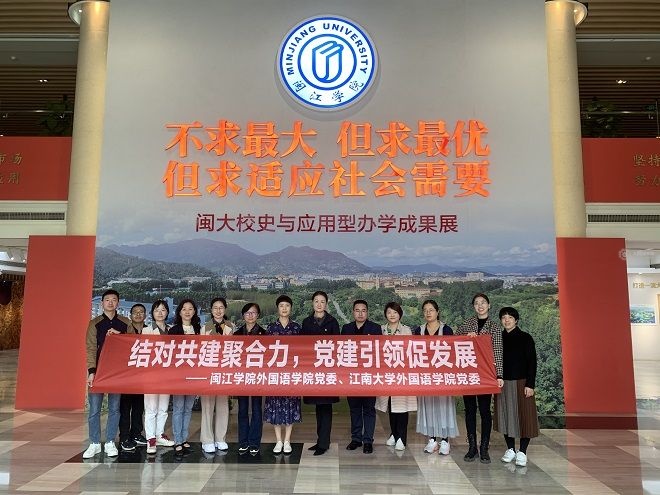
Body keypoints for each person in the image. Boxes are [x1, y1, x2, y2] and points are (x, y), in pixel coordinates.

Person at [455, 293, 504, 463]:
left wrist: (499, 375)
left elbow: (497, 351)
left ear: (489, 305)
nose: (480, 306)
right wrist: (465, 337)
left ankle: (484, 447)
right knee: (469, 410)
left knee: (484, 411)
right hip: (468, 374)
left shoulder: (494, 326)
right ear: (473, 307)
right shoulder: (467, 324)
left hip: (486, 375)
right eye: (476, 303)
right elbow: (454, 341)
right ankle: (472, 447)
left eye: (483, 302)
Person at [83, 289, 131, 459]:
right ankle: (94, 443)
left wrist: (120, 335)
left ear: (118, 303)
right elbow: (90, 348)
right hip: (98, 371)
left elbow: (133, 344)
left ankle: (110, 441)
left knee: (114, 408)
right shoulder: (94, 323)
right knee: (94, 409)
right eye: (107, 300)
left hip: (117, 372)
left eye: (114, 299)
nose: (110, 302)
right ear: (102, 303)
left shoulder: (125, 323)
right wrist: (91, 371)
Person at [494, 307, 539, 468]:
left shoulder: (525, 337)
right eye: (504, 317)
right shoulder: (497, 339)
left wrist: (530, 384)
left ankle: (523, 451)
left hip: (522, 382)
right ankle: (511, 449)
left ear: (516, 320)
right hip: (503, 382)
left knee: (525, 417)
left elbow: (532, 362)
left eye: (510, 317)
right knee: (506, 416)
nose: (506, 320)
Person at [414, 299, 459, 455]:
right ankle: (432, 439)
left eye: (431, 310)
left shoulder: (446, 329)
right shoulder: (419, 330)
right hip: (425, 375)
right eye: (425, 310)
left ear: (437, 312)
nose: (428, 313)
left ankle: (445, 440)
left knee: (443, 406)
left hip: (442, 375)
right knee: (428, 406)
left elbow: (452, 352)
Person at [301, 290, 340, 456]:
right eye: (316, 301)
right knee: (318, 407)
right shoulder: (306, 322)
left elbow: (337, 346)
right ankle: (320, 440)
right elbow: (302, 346)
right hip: (312, 370)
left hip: (327, 371)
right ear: (312, 303)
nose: (319, 304)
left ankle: (324, 443)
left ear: (326, 304)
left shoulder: (332, 322)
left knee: (326, 407)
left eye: (322, 301)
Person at [342, 299, 381, 454]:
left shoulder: (375, 328)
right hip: (351, 376)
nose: (360, 313)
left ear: (367, 312)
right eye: (357, 310)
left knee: (369, 409)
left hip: (369, 376)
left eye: (363, 310)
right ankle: (356, 439)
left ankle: (368, 440)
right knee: (355, 409)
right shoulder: (346, 329)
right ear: (353, 312)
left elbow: (379, 351)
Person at [376, 301, 416, 451]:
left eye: (395, 312)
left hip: (401, 375)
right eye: (389, 312)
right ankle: (394, 434)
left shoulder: (406, 330)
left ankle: (402, 438)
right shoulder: (381, 330)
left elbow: (410, 352)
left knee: (402, 406)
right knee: (391, 406)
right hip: (386, 375)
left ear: (400, 314)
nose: (392, 315)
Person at [264, 295, 302, 454]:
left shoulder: (297, 328)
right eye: (281, 305)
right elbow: (266, 351)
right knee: (275, 406)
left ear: (291, 308)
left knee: (290, 405)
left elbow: (302, 350)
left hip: (291, 374)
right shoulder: (271, 328)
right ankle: (278, 440)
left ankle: (287, 440)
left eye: (287, 305)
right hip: (275, 374)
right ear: (277, 308)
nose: (284, 308)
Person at [200, 297, 233, 454]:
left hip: (224, 371)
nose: (218, 311)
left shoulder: (231, 327)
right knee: (207, 406)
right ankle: (207, 439)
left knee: (222, 405)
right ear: (211, 310)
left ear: (225, 309)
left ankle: (221, 438)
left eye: (221, 307)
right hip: (208, 371)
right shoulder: (204, 328)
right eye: (215, 308)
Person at [168, 299, 201, 454]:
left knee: (188, 408)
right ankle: (177, 440)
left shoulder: (199, 329)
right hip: (178, 375)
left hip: (194, 374)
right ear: (179, 312)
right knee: (179, 408)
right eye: (184, 309)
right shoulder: (174, 330)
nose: (187, 312)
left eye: (190, 309)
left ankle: (184, 438)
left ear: (194, 311)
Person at [142, 300, 175, 454]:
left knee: (163, 407)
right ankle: (150, 438)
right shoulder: (146, 330)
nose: (160, 313)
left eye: (163, 310)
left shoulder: (172, 330)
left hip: (167, 374)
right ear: (152, 313)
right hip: (152, 374)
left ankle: (159, 434)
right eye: (157, 310)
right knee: (151, 408)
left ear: (167, 312)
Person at [234, 302, 267, 455]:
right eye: (247, 313)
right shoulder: (237, 334)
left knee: (256, 409)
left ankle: (254, 442)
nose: (250, 315)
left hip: (257, 377)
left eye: (253, 312)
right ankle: (243, 441)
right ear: (243, 316)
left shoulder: (264, 334)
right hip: (241, 377)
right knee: (242, 409)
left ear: (258, 315)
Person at [118, 303, 148, 452]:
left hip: (143, 375)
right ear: (130, 315)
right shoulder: (124, 330)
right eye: (135, 312)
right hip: (127, 375)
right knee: (125, 408)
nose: (138, 314)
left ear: (145, 315)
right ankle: (124, 437)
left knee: (139, 407)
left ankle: (136, 434)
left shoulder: (149, 331)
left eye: (141, 312)